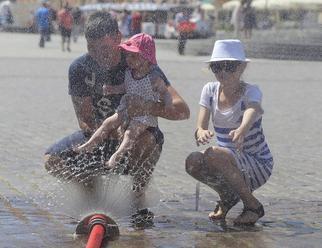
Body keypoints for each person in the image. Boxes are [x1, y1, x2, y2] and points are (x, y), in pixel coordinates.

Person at [44, 11, 189, 221]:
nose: (98, 55)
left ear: (118, 38)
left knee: (146, 139)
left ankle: (137, 199)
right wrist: (110, 132)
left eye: (104, 48)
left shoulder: (140, 63)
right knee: (52, 160)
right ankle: (92, 195)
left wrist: (148, 106)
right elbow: (84, 120)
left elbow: (182, 111)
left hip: (137, 136)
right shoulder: (79, 68)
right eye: (91, 48)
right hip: (102, 135)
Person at [185, 40, 273, 225]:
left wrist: (242, 129)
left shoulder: (251, 91)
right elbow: (200, 126)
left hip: (257, 163)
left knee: (213, 154)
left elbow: (253, 108)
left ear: (242, 67)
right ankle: (228, 196)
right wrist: (201, 132)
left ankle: (253, 206)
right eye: (217, 67)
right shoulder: (210, 90)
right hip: (227, 162)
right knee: (192, 161)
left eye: (230, 66)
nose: (223, 72)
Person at [76, 33, 172, 171]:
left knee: (129, 133)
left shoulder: (153, 77)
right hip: (126, 107)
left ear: (146, 58)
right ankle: (90, 144)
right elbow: (125, 87)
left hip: (144, 116)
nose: (128, 59)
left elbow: (165, 93)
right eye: (127, 55)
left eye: (133, 56)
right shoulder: (129, 73)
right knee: (107, 123)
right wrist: (112, 89)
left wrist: (167, 104)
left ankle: (116, 156)